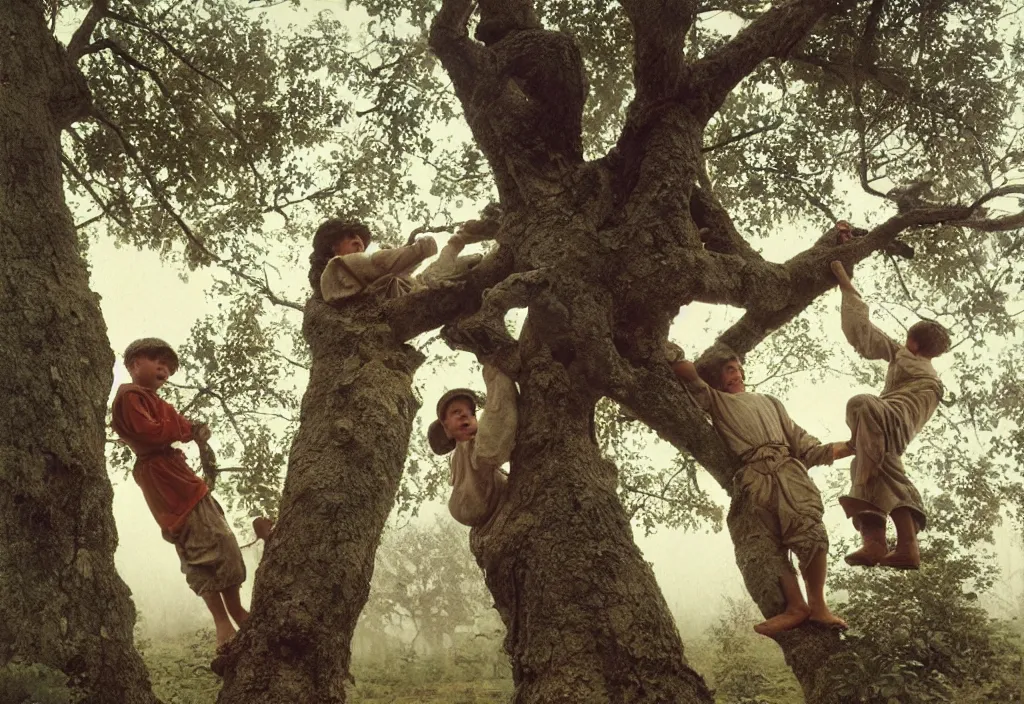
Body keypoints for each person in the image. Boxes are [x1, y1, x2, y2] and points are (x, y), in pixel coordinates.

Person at [668, 343, 850, 636]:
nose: (736, 373)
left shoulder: (769, 401)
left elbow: (805, 445)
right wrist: (669, 351)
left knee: (810, 531)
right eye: (727, 370)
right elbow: (687, 374)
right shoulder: (715, 400)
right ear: (716, 378)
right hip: (754, 477)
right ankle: (796, 606)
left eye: (737, 368)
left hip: (789, 471)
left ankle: (818, 606)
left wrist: (851, 447)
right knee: (767, 544)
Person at [110, 338, 247, 650]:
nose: (164, 369)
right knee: (197, 542)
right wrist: (183, 428)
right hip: (165, 480)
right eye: (156, 361)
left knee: (217, 538)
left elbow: (179, 426)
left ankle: (235, 611)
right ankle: (223, 621)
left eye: (168, 367)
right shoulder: (129, 396)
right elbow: (152, 432)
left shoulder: (156, 403)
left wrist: (195, 430)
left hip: (176, 476)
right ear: (134, 365)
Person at [831, 261, 950, 570]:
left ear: (913, 342)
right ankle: (884, 546)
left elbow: (863, 334)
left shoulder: (907, 359)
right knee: (871, 465)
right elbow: (865, 335)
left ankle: (894, 543)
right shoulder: (924, 372)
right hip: (890, 431)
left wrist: (848, 288)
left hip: (891, 419)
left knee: (861, 403)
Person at [312, 218, 492, 302]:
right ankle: (460, 240)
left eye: (360, 238)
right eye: (349, 236)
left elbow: (393, 270)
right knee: (439, 276)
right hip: (397, 304)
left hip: (405, 295)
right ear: (333, 247)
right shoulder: (340, 265)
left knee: (443, 271)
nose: (358, 241)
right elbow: (383, 262)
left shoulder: (340, 275)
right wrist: (422, 247)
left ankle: (460, 242)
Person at [427, 364, 517, 527]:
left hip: (477, 512)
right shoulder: (469, 448)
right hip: (483, 508)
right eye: (456, 412)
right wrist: (495, 373)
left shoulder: (467, 450)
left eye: (471, 412)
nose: (464, 415)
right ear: (447, 429)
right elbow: (498, 418)